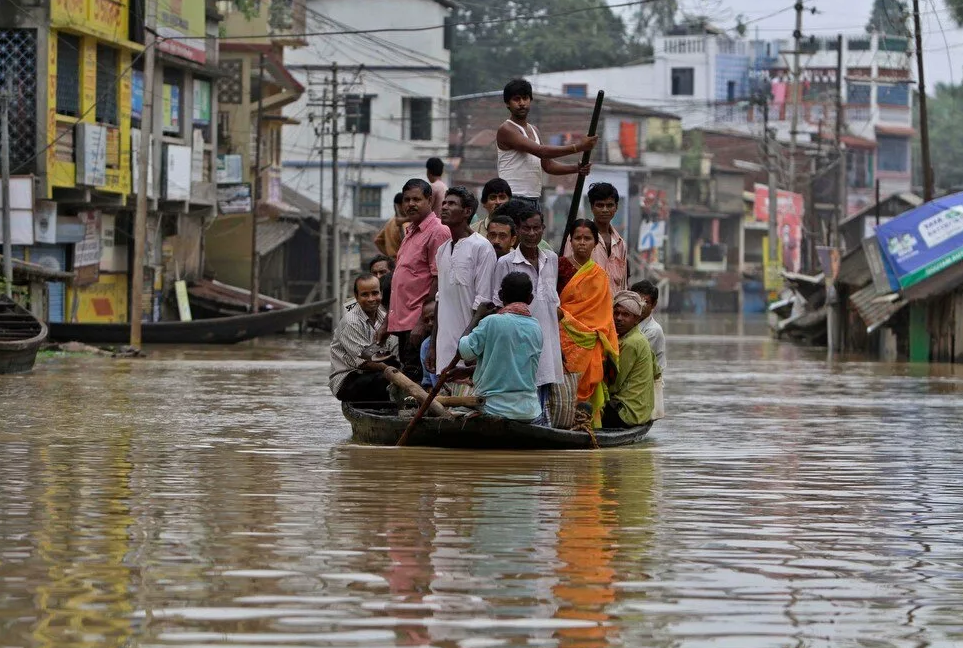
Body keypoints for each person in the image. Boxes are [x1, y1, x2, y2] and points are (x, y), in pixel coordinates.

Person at [492, 204, 564, 424]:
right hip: (518, 343)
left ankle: (539, 425)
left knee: (543, 386)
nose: (531, 234)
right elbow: (498, 305)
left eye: (536, 228)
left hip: (548, 340)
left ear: (543, 229)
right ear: (518, 231)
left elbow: (554, 304)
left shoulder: (551, 259)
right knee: (522, 387)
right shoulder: (505, 263)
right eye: (526, 229)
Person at [378, 178, 451, 380]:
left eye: (416, 199)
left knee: (417, 380)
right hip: (403, 322)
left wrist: (421, 321)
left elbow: (439, 280)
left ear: (429, 200)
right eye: (407, 199)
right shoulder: (410, 231)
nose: (410, 204)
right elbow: (400, 282)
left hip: (420, 324)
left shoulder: (438, 231)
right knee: (409, 375)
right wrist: (386, 323)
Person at [496, 78, 596, 211]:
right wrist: (579, 147)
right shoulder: (507, 129)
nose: (521, 103)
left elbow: (548, 165)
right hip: (513, 198)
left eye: (525, 98)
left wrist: (577, 168)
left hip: (534, 199)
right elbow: (541, 151)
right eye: (516, 99)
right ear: (508, 104)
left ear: (530, 100)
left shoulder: (534, 130)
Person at [557, 219, 619, 427]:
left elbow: (604, 315)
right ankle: (562, 420)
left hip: (592, 341)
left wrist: (598, 337)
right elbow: (553, 304)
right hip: (562, 340)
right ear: (570, 241)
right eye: (577, 238)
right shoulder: (559, 267)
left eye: (587, 238)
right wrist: (566, 321)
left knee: (589, 387)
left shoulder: (600, 276)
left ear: (595, 243)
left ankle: (588, 424)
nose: (582, 243)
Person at [458, 272, 542, 421]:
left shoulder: (491, 322)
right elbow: (513, 364)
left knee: (453, 412)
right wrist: (469, 371)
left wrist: (476, 317)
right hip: (529, 410)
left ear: (501, 296)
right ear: (530, 299)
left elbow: (465, 352)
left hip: (493, 407)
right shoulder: (536, 327)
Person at [431, 186, 496, 372]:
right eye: (444, 203)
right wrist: (433, 346)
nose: (444, 207)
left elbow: (484, 303)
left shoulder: (482, 247)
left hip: (469, 351)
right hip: (444, 348)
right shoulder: (442, 250)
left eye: (451, 204)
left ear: (467, 211)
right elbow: (440, 300)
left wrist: (466, 343)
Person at [329, 274, 398, 401]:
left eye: (375, 293)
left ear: (381, 293)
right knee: (386, 380)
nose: (371, 299)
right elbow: (365, 362)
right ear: (356, 297)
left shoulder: (383, 316)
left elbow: (392, 348)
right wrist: (393, 372)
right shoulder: (351, 321)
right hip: (348, 379)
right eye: (365, 295)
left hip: (373, 372)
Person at [603, 291, 661, 428]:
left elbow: (614, 385)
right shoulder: (639, 337)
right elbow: (657, 370)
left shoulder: (630, 342)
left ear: (636, 319)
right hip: (641, 409)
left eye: (625, 314)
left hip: (627, 412)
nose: (619, 318)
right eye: (616, 313)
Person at [563, 182, 627, 293]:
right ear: (592, 207)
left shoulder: (620, 243)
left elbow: (623, 285)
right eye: (600, 205)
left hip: (612, 308)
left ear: (616, 207)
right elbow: (567, 276)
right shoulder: (578, 238)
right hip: (585, 307)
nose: (605, 210)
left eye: (609, 205)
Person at [631, 280, 666, 371]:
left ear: (654, 304)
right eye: (637, 301)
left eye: (646, 302)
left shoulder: (653, 330)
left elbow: (635, 357)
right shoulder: (628, 323)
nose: (641, 305)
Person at [374, 193, 407, 258]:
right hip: (403, 262)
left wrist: (390, 255)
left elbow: (377, 240)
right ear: (400, 205)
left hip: (393, 262)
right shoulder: (406, 224)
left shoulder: (390, 222)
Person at [418, 301, 438, 389]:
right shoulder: (426, 346)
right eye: (426, 321)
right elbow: (427, 380)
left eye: (433, 318)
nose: (430, 323)